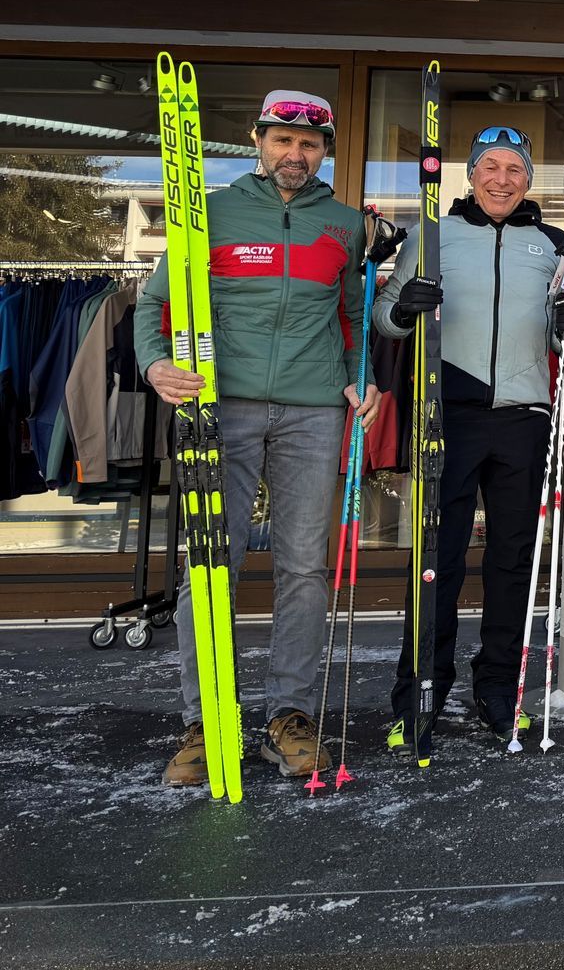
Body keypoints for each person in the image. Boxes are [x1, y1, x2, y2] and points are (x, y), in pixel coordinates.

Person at [139, 90, 377, 787]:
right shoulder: (206, 213)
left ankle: (290, 716)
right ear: (257, 140)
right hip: (221, 405)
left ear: (325, 150)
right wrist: (155, 363)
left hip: (313, 410)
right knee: (212, 565)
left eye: (308, 144)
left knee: (304, 566)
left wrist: (367, 378)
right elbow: (157, 305)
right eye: (281, 140)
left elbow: (356, 318)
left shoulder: (344, 227)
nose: (294, 154)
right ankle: (203, 719)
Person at [373, 126, 564, 745]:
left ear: (527, 180)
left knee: (512, 559)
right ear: (470, 175)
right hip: (449, 413)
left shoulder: (551, 245)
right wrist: (405, 305)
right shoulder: (431, 236)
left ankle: (498, 687)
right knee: (436, 558)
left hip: (524, 417)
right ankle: (421, 692)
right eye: (489, 167)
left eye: (514, 169)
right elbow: (386, 318)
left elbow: (562, 333)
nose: (500, 179)